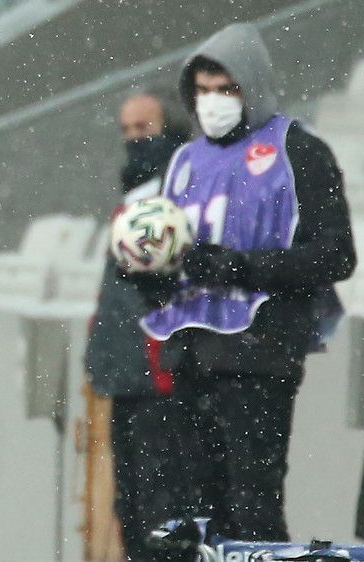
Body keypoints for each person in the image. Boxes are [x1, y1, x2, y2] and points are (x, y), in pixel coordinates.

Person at [135, 23, 355, 541]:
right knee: (192, 517)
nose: (212, 103)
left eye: (226, 89)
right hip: (188, 351)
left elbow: (335, 255)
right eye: (203, 91)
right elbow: (171, 256)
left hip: (260, 352)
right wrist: (144, 270)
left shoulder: (297, 150)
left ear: (251, 88)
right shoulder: (184, 161)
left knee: (252, 503)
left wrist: (242, 267)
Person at [85, 91, 189, 561]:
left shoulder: (176, 195)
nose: (133, 141)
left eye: (144, 130)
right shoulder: (131, 200)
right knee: (132, 504)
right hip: (126, 375)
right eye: (126, 131)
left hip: (160, 377)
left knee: (159, 504)